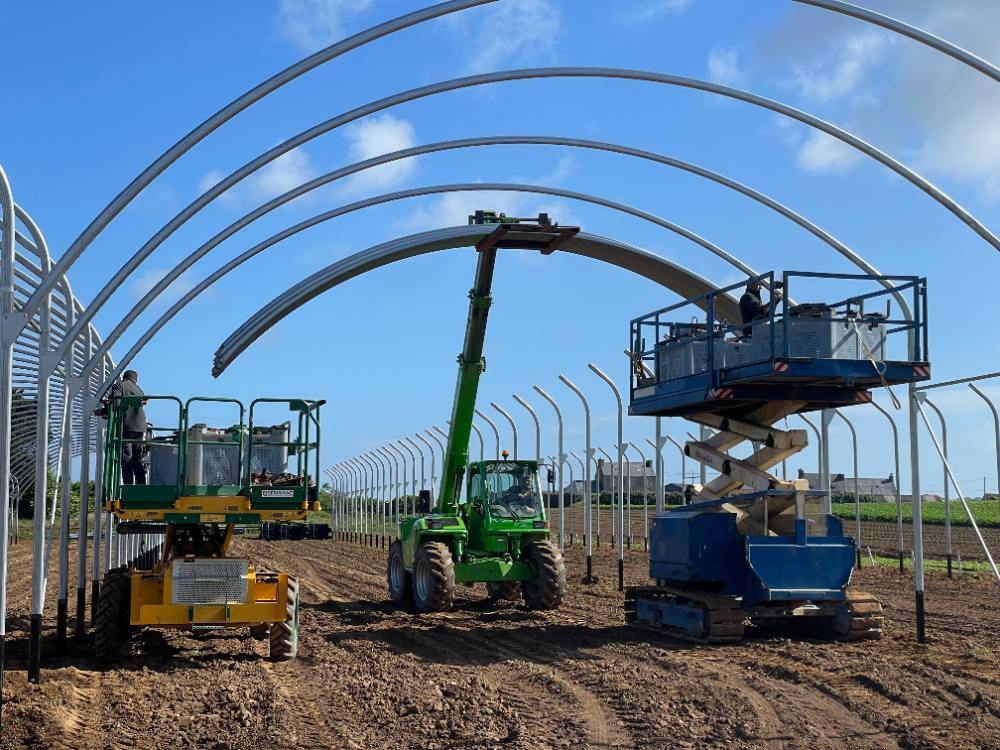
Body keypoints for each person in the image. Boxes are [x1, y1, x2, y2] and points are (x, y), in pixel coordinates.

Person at [109, 370, 148, 485]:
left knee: (126, 457)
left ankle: (128, 485)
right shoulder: (139, 389)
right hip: (141, 427)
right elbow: (144, 401)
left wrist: (104, 409)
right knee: (137, 458)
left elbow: (116, 404)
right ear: (135, 380)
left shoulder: (119, 386)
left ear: (124, 377)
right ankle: (141, 485)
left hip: (126, 426)